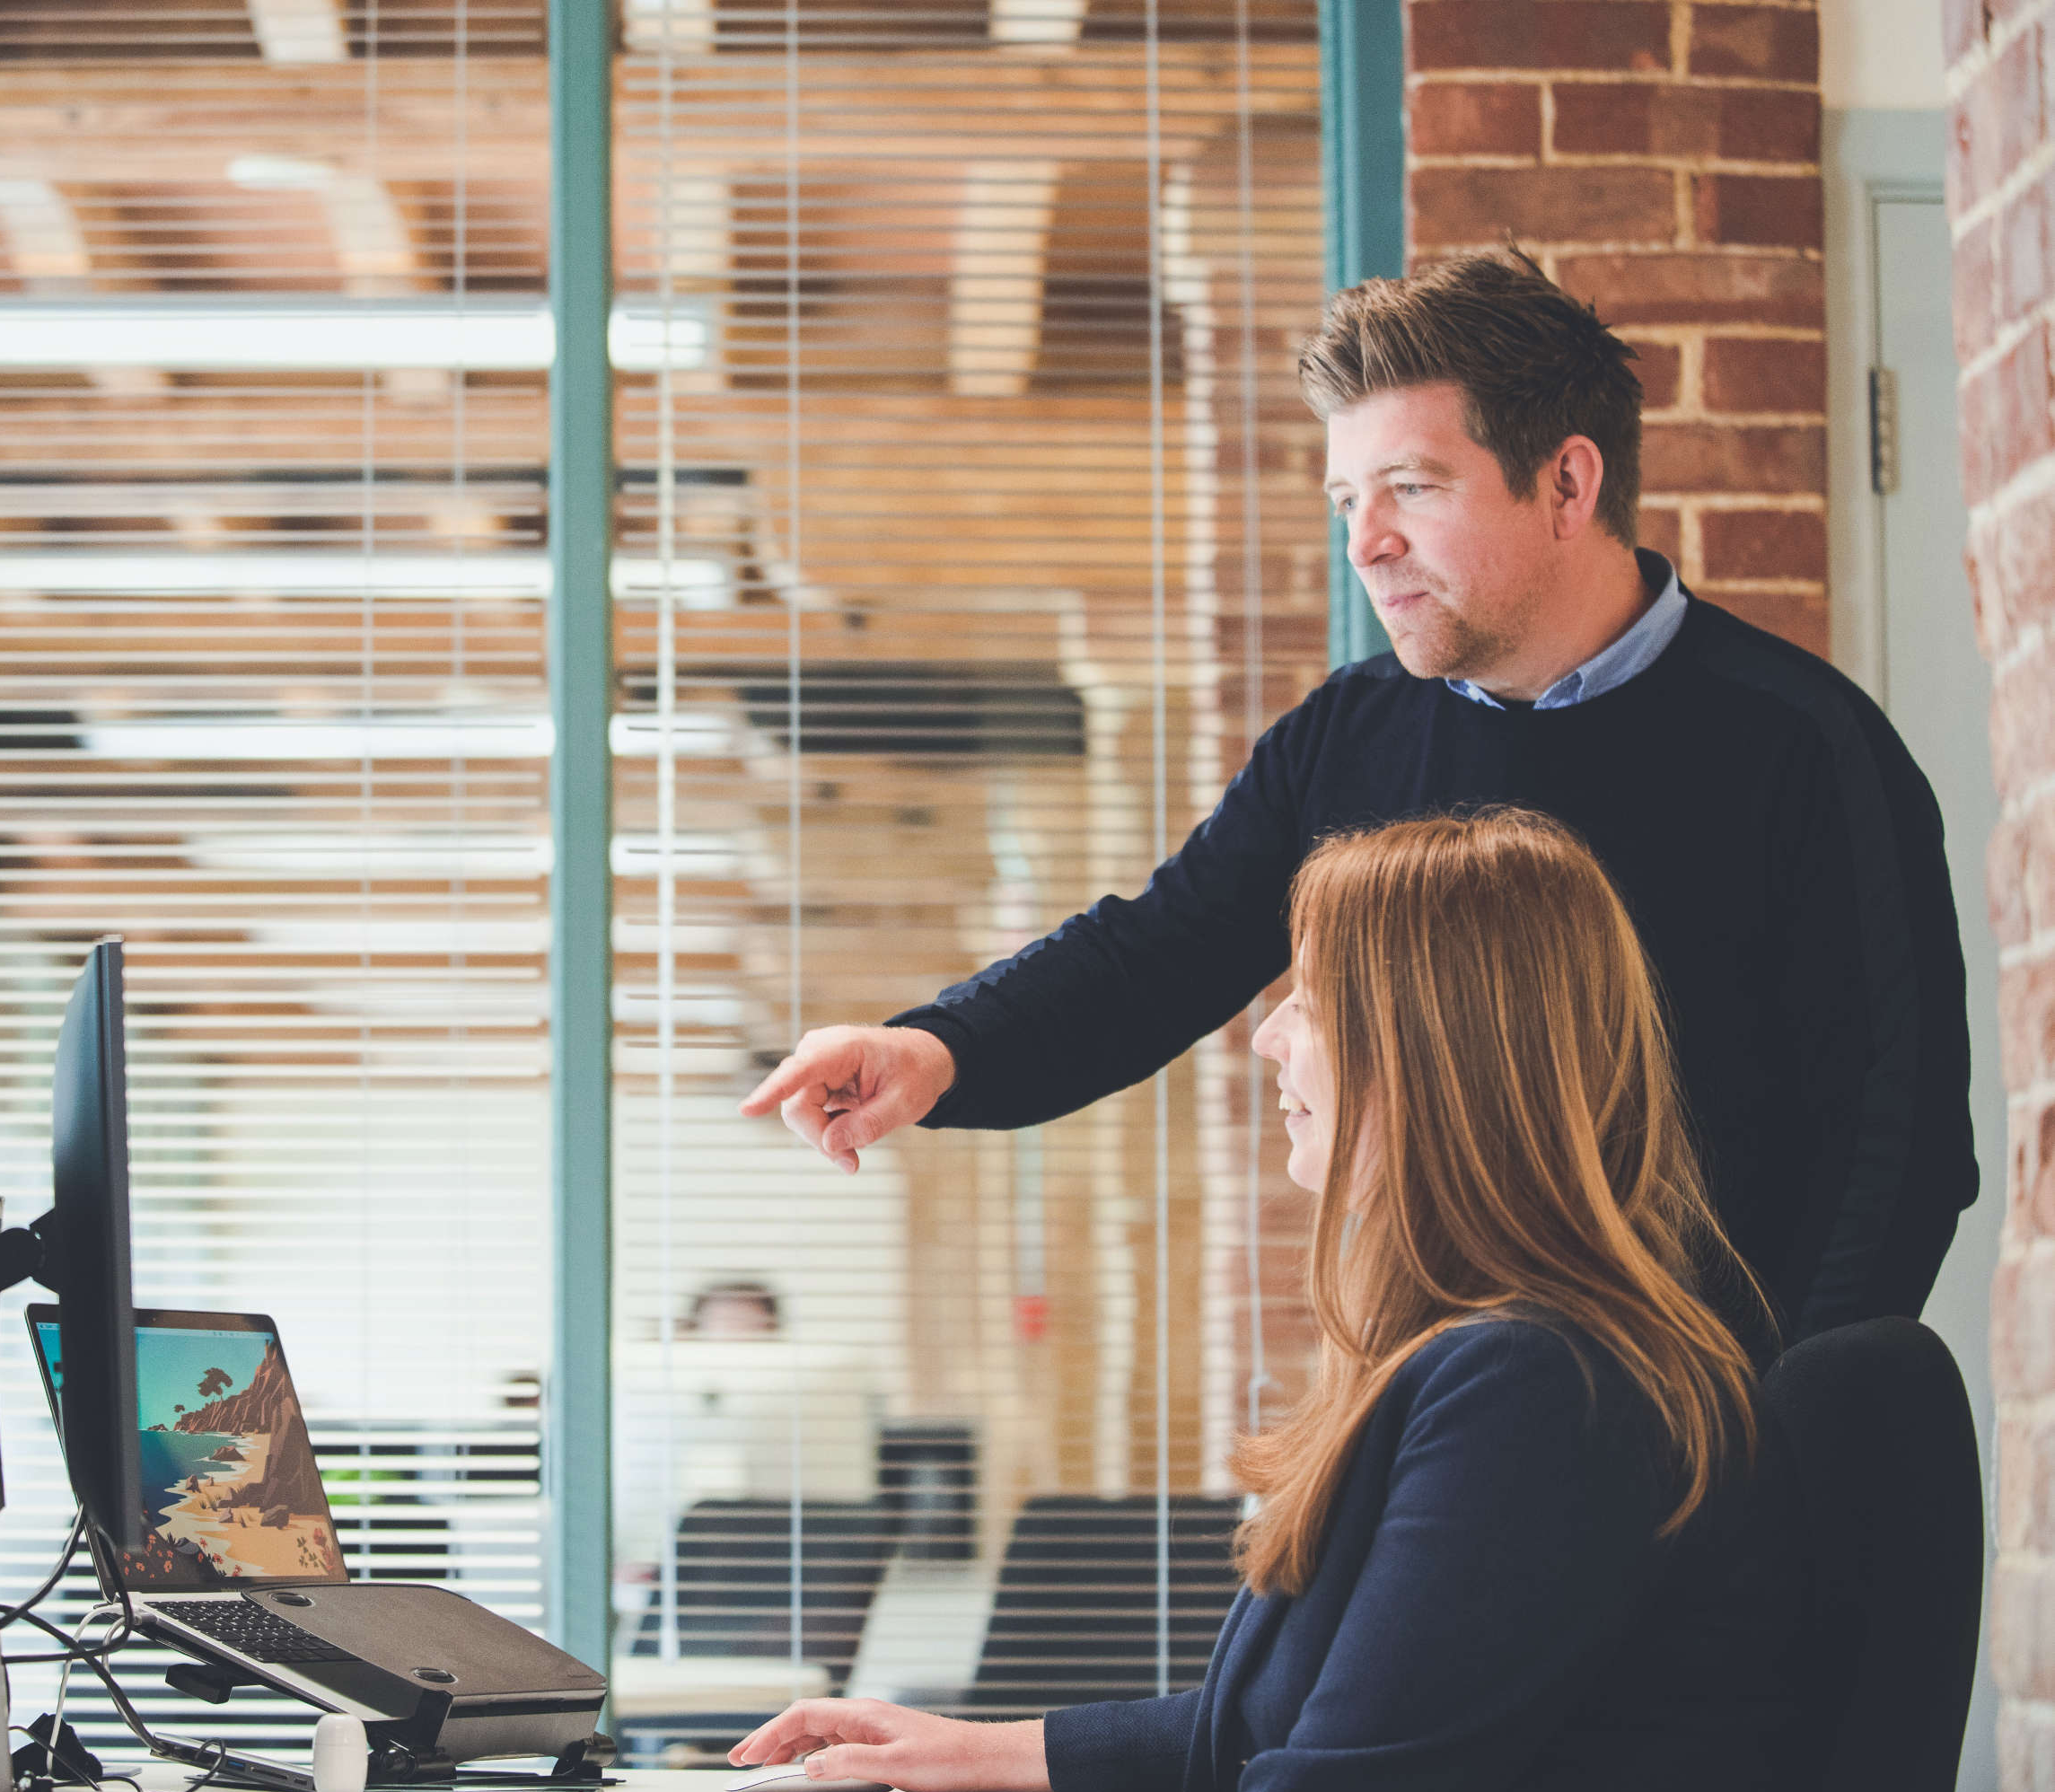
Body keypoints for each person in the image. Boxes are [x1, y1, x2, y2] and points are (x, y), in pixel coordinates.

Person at [740, 250, 1972, 1341]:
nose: (1363, 544)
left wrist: (1783, 1438)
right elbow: (1161, 951)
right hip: (1454, 1409)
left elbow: (1894, 1144)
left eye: (1412, 489)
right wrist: (937, 1046)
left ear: (1564, 483)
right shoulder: (1347, 735)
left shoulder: (1802, 746)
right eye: (1346, 500)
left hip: (1714, 1442)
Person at [729, 810, 1805, 1792]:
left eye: (1312, 999)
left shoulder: (1530, 1385)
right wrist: (957, 1749)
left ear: (1433, 1047)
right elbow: (1272, 1724)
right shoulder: (1498, 1352)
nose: (1267, 1035)